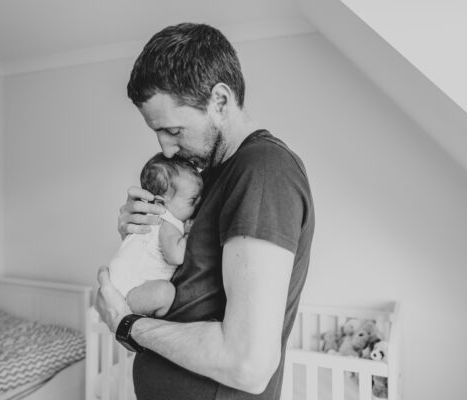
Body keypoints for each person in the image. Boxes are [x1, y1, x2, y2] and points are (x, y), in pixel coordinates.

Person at [94, 22, 315, 400]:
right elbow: (185, 310)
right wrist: (137, 243)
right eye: (157, 133)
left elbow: (248, 364)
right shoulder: (206, 178)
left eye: (174, 131)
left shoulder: (262, 171)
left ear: (221, 101)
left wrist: (125, 323)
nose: (165, 149)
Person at [108, 152, 202, 317]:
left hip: (123, 279)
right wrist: (190, 233)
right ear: (160, 203)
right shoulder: (167, 222)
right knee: (165, 293)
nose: (198, 204)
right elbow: (176, 256)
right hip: (131, 285)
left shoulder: (152, 218)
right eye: (192, 201)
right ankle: (122, 310)